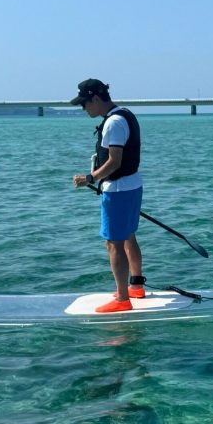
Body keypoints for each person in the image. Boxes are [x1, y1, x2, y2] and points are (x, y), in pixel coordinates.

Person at [70, 78, 147, 313]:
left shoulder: (113, 123)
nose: (84, 109)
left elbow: (115, 161)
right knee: (128, 236)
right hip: (132, 185)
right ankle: (136, 286)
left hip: (118, 189)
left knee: (113, 243)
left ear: (95, 98)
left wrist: (90, 178)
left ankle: (123, 299)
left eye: (84, 104)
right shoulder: (125, 114)